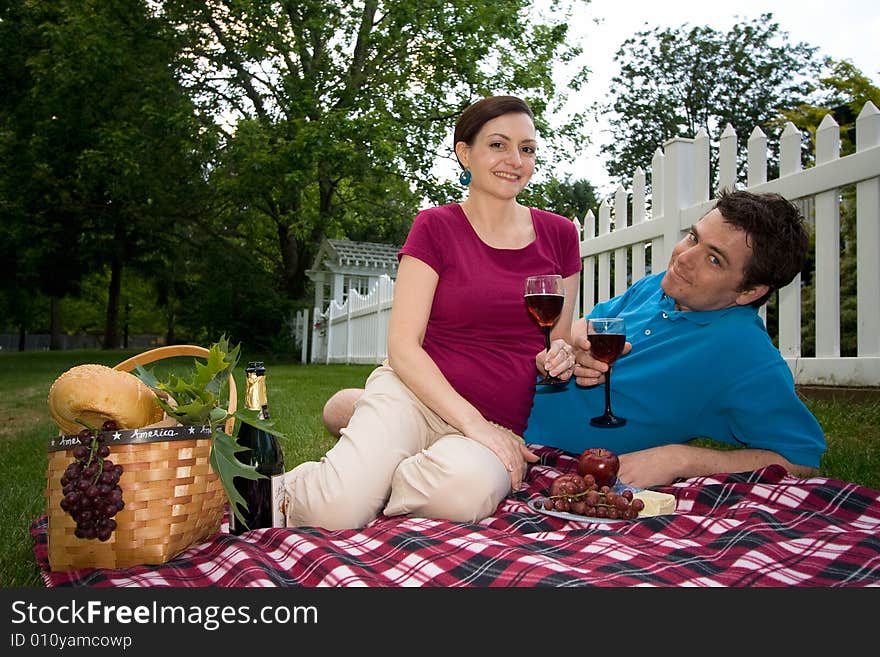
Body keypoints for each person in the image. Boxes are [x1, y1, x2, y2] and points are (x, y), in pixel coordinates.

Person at [321, 189, 827, 490]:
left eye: (714, 258)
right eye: (694, 236)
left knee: (353, 414)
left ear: (751, 291)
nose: (684, 257)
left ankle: (403, 439)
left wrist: (681, 458)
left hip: (530, 444)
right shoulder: (655, 289)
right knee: (340, 407)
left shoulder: (745, 357)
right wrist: (576, 346)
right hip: (489, 400)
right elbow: (578, 330)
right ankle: (403, 433)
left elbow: (800, 459)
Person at [283, 95, 582, 530]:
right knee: (334, 513)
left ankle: (376, 475)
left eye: (527, 148)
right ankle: (298, 489)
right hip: (414, 396)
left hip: (497, 418)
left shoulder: (559, 235)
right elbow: (403, 347)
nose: (515, 160)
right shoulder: (436, 226)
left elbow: (557, 337)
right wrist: (476, 426)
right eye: (498, 145)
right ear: (465, 153)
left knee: (464, 494)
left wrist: (560, 356)